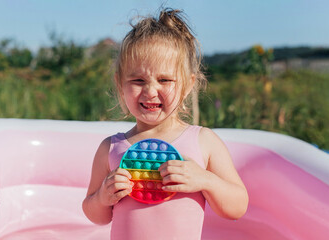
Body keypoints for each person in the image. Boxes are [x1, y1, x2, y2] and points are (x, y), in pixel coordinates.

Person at [82, 8, 248, 240]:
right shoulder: (110, 148)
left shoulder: (203, 141)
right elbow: (94, 214)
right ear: (120, 83)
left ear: (188, 84)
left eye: (165, 80)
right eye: (138, 80)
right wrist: (102, 197)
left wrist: (205, 180)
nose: (150, 91)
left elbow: (238, 206)